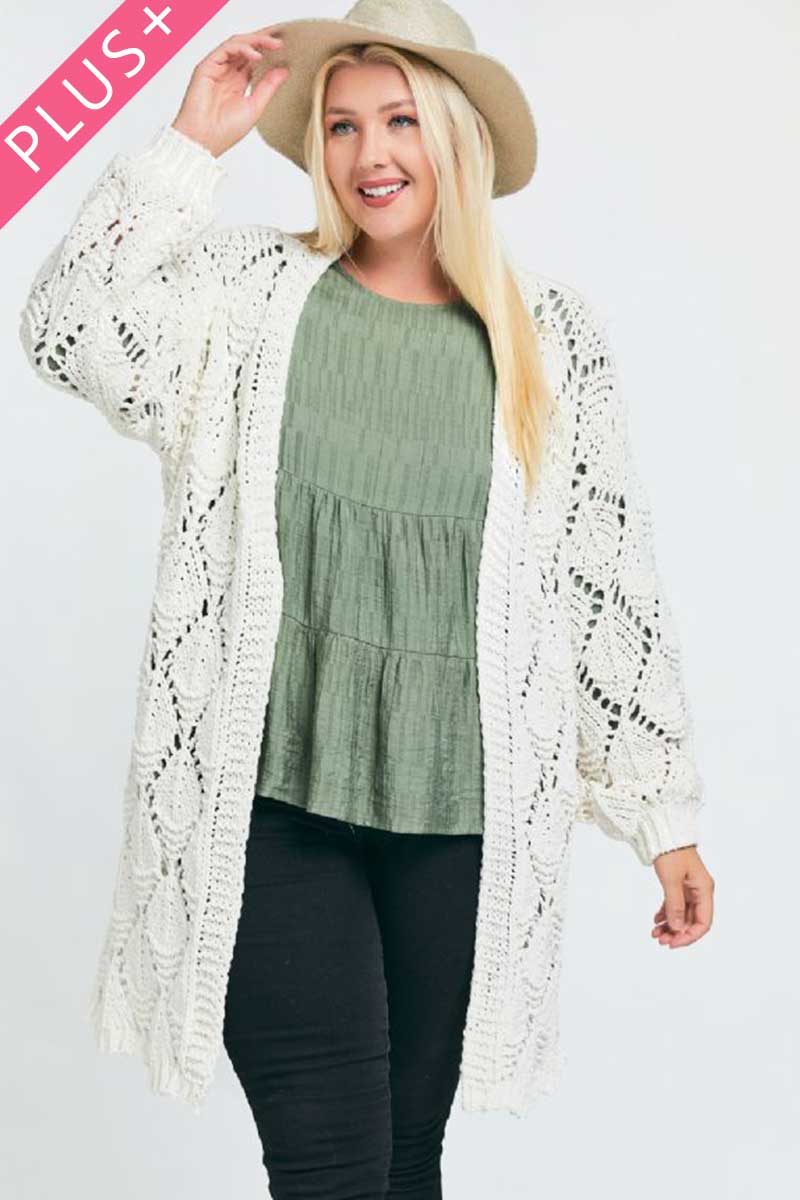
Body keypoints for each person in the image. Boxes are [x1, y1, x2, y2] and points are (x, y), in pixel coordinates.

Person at [18, 1, 715, 1196]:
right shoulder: (248, 296)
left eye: (399, 120)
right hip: (266, 806)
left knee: (402, 1163)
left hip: (463, 819)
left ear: (458, 136)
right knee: (333, 1164)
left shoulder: (547, 337)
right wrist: (188, 146)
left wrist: (661, 818)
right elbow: (67, 330)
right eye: (339, 126)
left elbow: (603, 582)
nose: (367, 154)